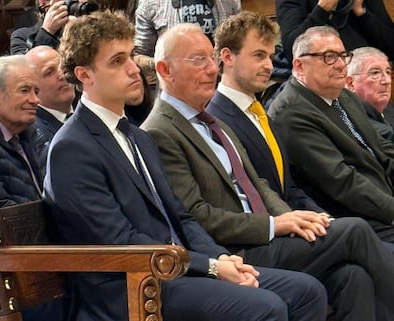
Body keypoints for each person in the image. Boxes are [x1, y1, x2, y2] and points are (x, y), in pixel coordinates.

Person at [43, 10, 328, 321]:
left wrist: (221, 257)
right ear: (85, 75)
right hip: (132, 285)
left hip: (176, 268)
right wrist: (210, 267)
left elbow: (181, 216)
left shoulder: (137, 136)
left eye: (130, 57)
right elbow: (120, 240)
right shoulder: (71, 148)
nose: (132, 69)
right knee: (265, 307)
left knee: (306, 291)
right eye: (117, 61)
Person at [141, 16, 394, 321]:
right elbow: (197, 215)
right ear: (165, 70)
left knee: (353, 277)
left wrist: (290, 217)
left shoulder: (210, 120)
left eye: (210, 59)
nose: (211, 69)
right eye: (199, 60)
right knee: (355, 230)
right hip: (237, 249)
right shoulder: (159, 131)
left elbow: (257, 183)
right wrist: (276, 225)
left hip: (268, 234)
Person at [268, 26, 394, 243]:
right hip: (352, 217)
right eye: (328, 57)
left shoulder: (344, 96)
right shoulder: (291, 112)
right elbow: (342, 181)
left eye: (343, 56)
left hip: (380, 200)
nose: (339, 64)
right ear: (299, 65)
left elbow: (381, 150)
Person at [207, 11, 323, 212]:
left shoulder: (261, 113)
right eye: (259, 55)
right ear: (227, 57)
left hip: (297, 222)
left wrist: (324, 219)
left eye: (270, 56)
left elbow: (289, 188)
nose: (269, 66)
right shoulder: (214, 120)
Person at [0, 55, 64, 321]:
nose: (36, 100)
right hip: (6, 264)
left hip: (42, 251)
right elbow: (2, 211)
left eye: (36, 91)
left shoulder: (31, 131)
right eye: (25, 90)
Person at [134, 0, 241, 89]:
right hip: (176, 91)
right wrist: (170, 66)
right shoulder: (151, 4)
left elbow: (238, 48)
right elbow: (137, 56)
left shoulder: (230, 3)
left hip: (221, 88)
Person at [276, 0, 394, 64]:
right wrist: (323, 9)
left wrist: (361, 13)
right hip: (326, 76)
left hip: (369, 74)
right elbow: (292, 49)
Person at [25, 45, 75, 141]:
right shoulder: (33, 135)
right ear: (32, 86)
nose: (62, 75)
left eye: (63, 66)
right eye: (49, 72)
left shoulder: (90, 110)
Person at [346, 46, 394, 143]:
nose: (387, 81)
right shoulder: (350, 121)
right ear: (351, 83)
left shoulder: (390, 110)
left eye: (388, 72)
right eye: (375, 73)